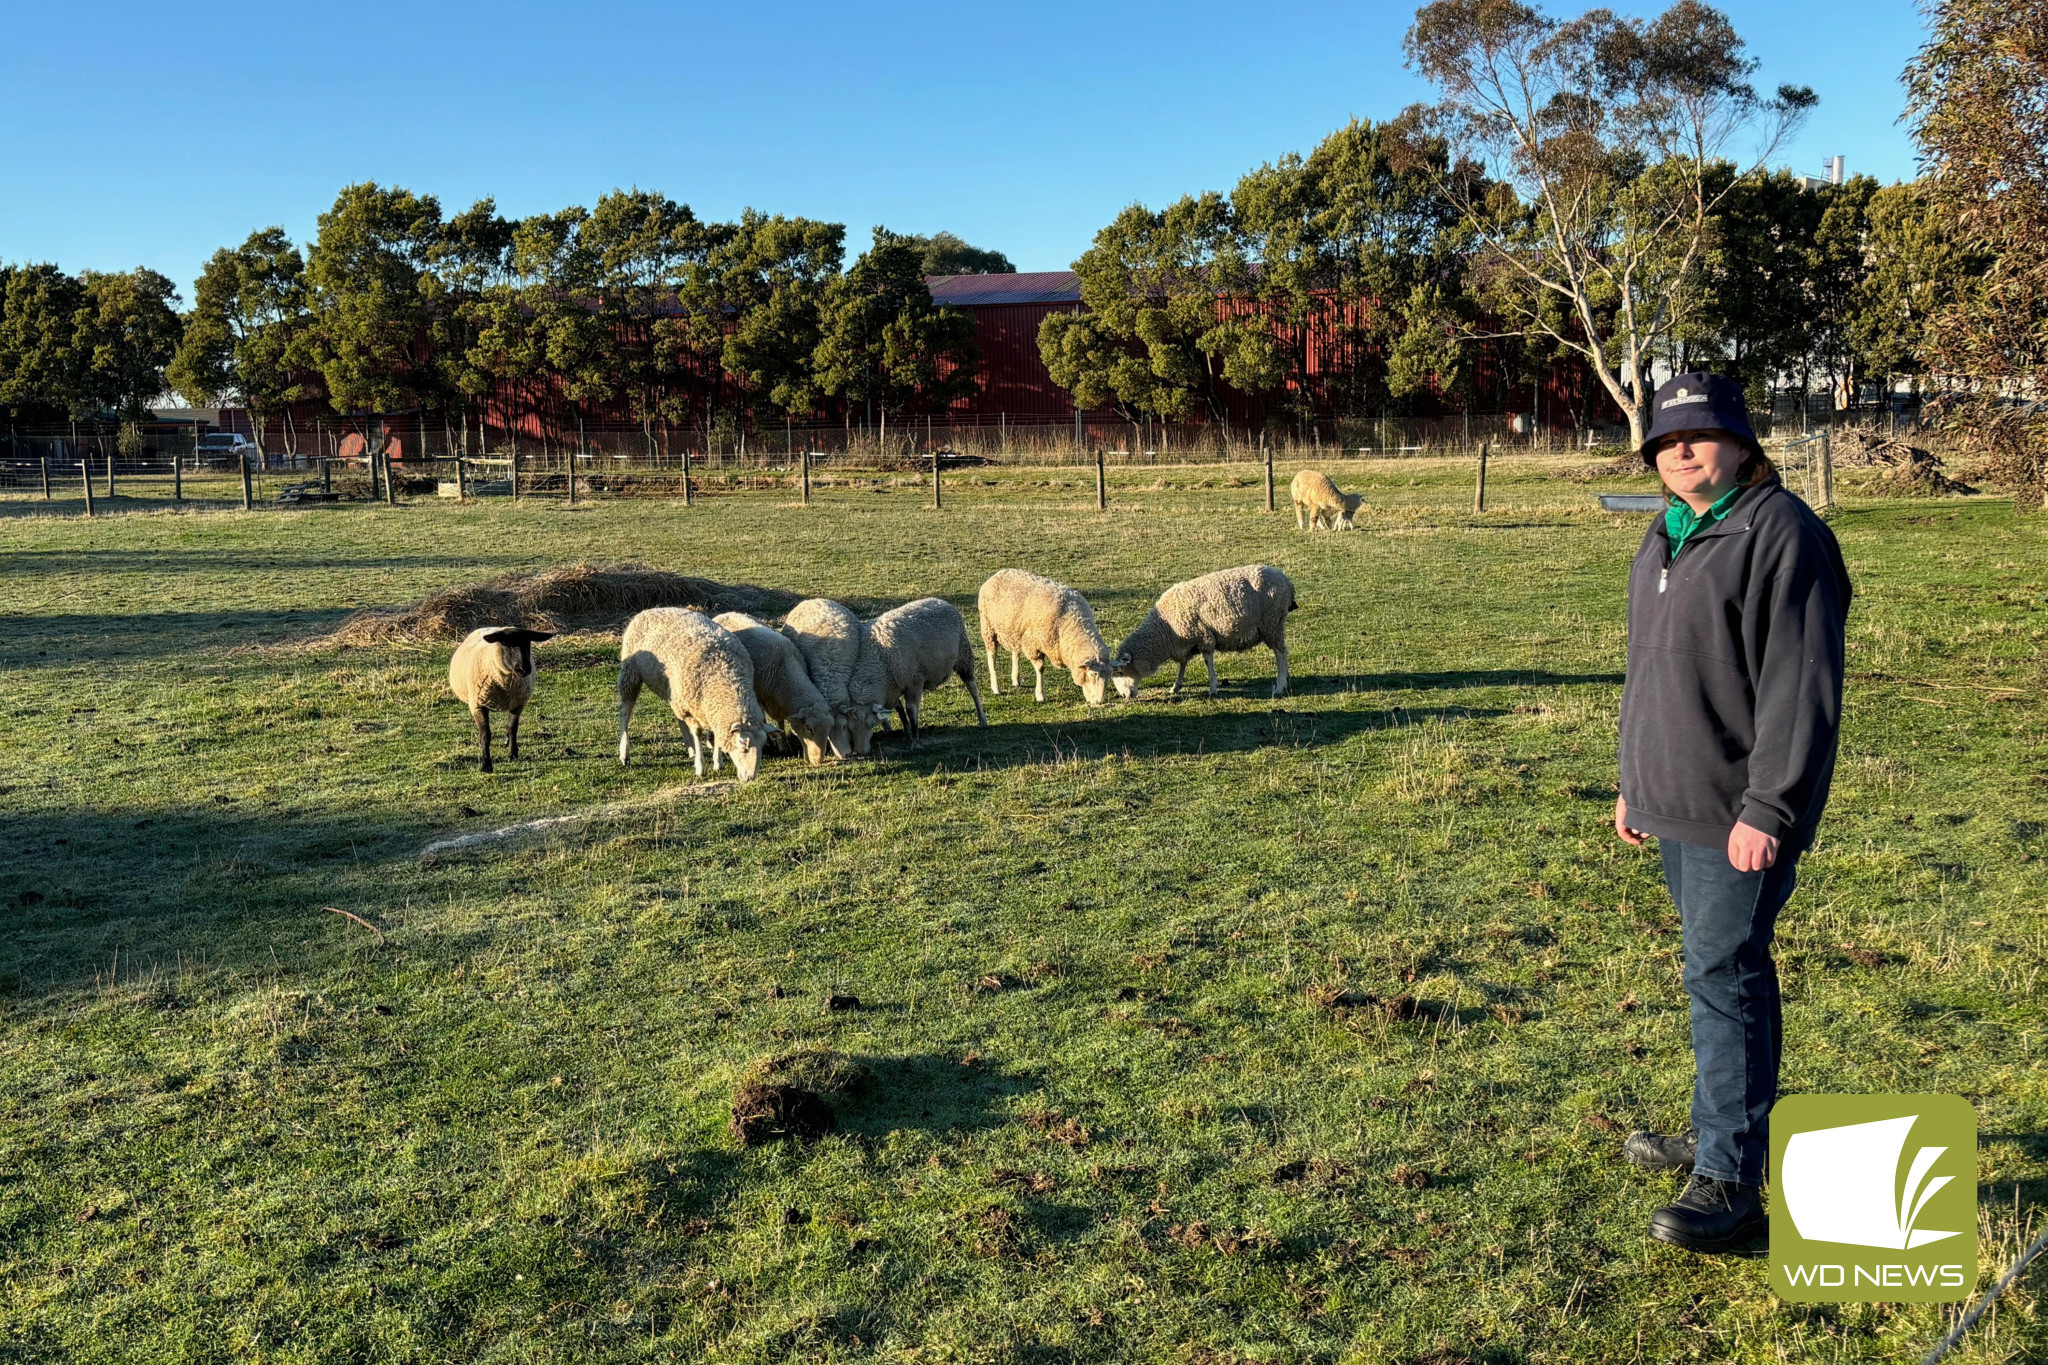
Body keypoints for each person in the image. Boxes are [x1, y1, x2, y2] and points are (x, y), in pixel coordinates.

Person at [1611, 372, 1852, 1254]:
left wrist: (1770, 806)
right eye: (1665, 441)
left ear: (1743, 442)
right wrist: (1634, 778)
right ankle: (1721, 1127)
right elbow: (1652, 666)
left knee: (1726, 972)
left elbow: (1801, 686)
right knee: (1709, 970)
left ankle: (1734, 1184)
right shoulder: (1667, 533)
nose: (1680, 450)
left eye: (1701, 435)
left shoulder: (1781, 533)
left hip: (1738, 809)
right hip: (1674, 797)